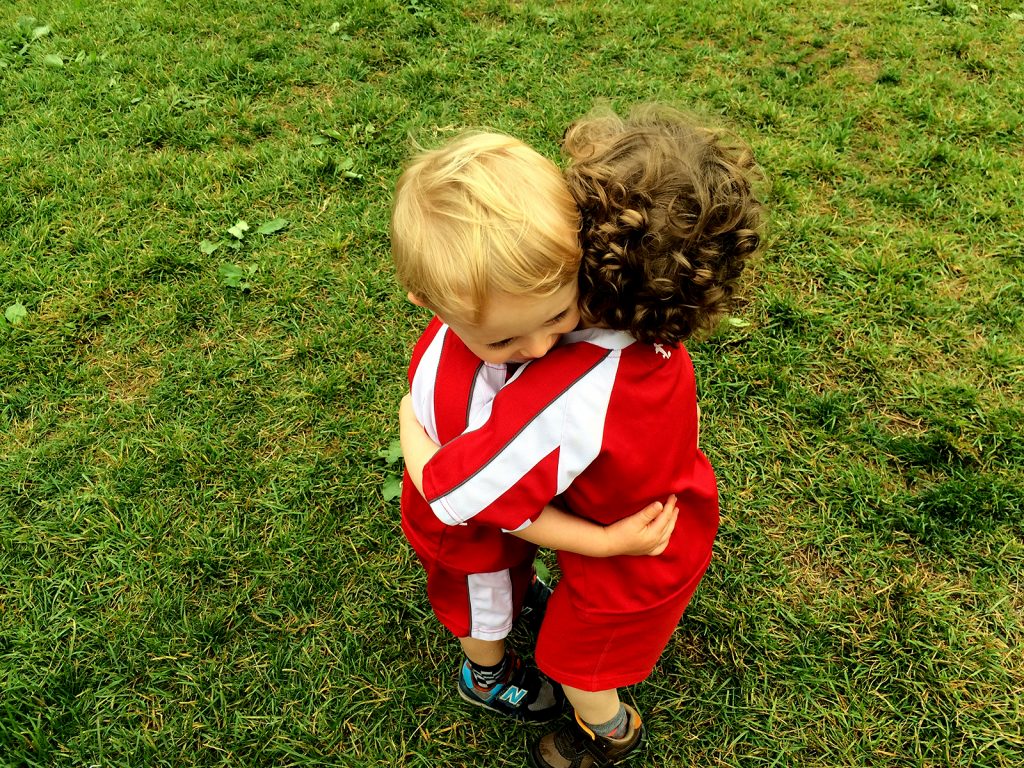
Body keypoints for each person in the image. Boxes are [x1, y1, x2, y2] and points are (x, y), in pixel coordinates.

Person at [400, 104, 764, 767]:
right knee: (534, 621)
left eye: (562, 312)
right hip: (668, 514)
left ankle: (609, 733)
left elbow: (459, 492)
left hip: (629, 556)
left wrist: (410, 427)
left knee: (577, 666)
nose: (538, 348)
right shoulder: (653, 335)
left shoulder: (574, 387)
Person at [390, 131, 681, 723]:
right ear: (429, 303)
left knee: (510, 583)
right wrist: (604, 543)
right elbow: (471, 500)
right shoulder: (465, 398)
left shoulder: (484, 317)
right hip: (465, 526)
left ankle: (516, 604)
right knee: (483, 606)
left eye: (557, 316)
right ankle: (486, 673)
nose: (542, 347)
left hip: (484, 488)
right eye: (504, 340)